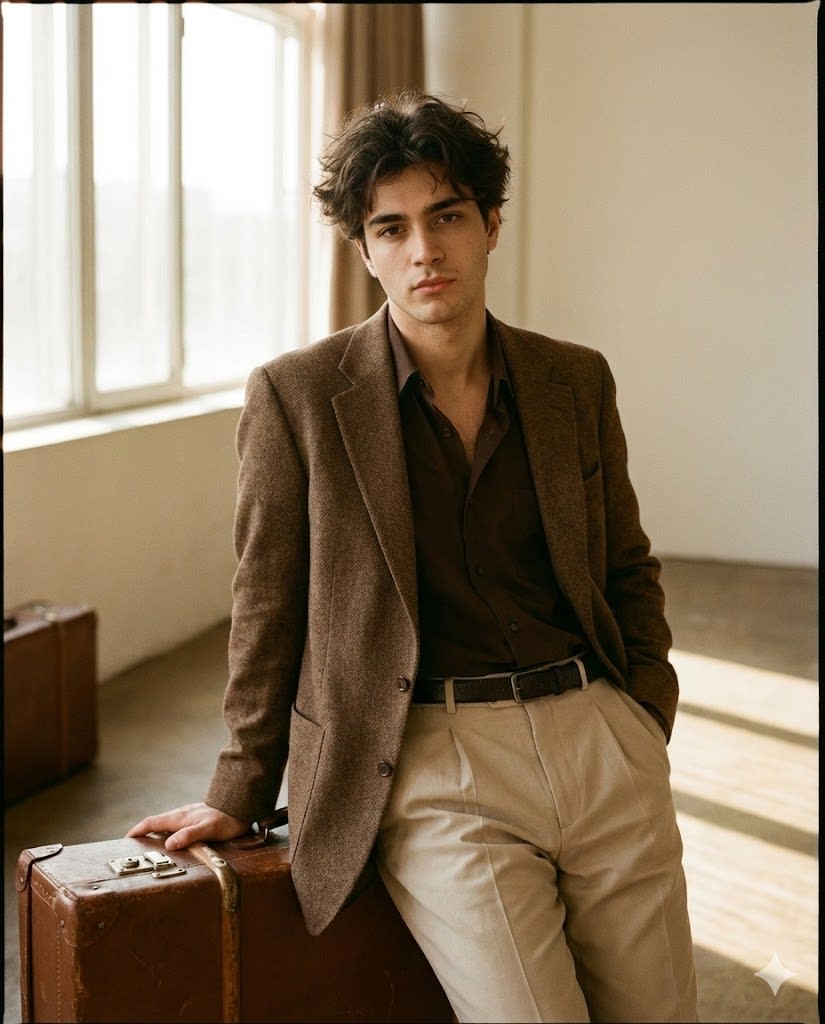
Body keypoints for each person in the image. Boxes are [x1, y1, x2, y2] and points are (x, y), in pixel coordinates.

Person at [129, 91, 698, 1023]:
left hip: (598, 736)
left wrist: (642, 714)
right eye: (390, 229)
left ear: (490, 224)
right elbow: (268, 601)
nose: (423, 250)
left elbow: (626, 564)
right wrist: (240, 783)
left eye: (446, 217)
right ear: (364, 252)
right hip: (432, 759)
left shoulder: (573, 378)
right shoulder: (297, 397)